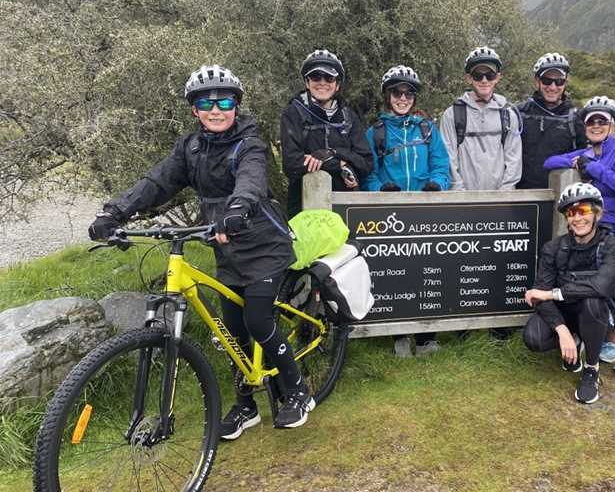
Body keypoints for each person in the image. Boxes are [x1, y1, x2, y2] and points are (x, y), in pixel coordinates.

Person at [88, 65, 313, 439]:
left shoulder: (250, 144)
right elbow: (157, 183)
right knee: (231, 332)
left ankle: (298, 391)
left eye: (224, 101)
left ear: (236, 106)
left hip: (263, 244)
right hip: (225, 245)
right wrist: (115, 211)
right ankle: (246, 406)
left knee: (258, 320)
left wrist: (238, 210)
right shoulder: (189, 148)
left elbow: (252, 180)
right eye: (205, 103)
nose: (216, 109)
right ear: (194, 110)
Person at [544, 97, 615, 376]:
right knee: (605, 291)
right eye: (591, 121)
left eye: (602, 121)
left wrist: (595, 168)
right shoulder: (587, 152)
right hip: (601, 231)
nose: (596, 125)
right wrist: (578, 160)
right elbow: (550, 162)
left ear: (613, 125)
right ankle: (612, 343)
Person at [363, 65, 450, 357]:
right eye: (396, 92)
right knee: (398, 272)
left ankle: (427, 336)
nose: (402, 98)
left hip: (426, 208)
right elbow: (368, 173)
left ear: (414, 97)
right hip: (392, 212)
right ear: (388, 96)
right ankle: (398, 334)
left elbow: (441, 164)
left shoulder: (428, 129)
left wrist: (437, 184)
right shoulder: (375, 132)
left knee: (428, 267)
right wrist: (380, 191)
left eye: (408, 93)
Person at [523, 182, 615, 404]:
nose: (578, 218)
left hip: (594, 315)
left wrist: (553, 293)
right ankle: (574, 341)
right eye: (571, 212)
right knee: (533, 338)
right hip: (564, 314)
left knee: (592, 302)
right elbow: (540, 294)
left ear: (597, 213)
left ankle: (591, 368)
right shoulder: (553, 248)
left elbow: (601, 287)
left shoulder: (611, 245)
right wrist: (562, 331)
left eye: (584, 211)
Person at [280, 49, 373, 216]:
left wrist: (332, 153)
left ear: (337, 85)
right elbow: (292, 164)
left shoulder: (349, 116)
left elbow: (366, 163)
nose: (322, 82)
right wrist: (339, 164)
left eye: (329, 78)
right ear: (307, 82)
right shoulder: (293, 113)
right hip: (304, 206)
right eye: (316, 77)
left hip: (344, 208)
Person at [439, 46, 522, 191]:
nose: (484, 80)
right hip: (463, 202)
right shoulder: (452, 115)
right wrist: (459, 194)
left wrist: (505, 194)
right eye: (478, 75)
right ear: (469, 78)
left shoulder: (508, 115)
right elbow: (449, 158)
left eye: (490, 75)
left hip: (500, 202)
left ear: (497, 77)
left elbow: (513, 159)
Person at [516, 52, 585, 189]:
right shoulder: (519, 113)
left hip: (561, 197)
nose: (552, 87)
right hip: (522, 197)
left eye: (559, 81)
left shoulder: (576, 118)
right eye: (546, 81)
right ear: (537, 81)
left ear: (566, 82)